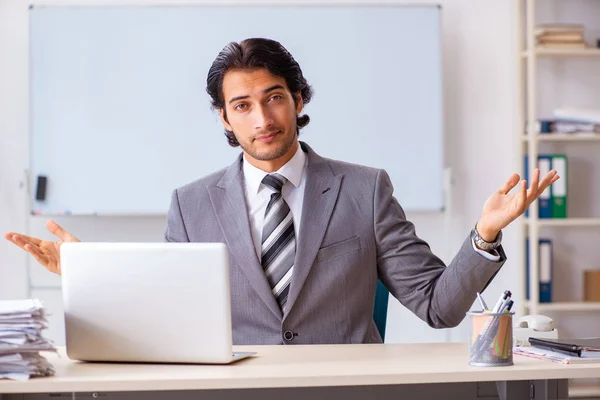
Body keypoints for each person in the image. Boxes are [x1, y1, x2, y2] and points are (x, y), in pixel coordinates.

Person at [5, 38, 558, 345]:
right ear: (224, 118)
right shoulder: (191, 205)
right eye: (242, 105)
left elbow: (439, 309)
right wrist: (87, 271)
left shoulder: (363, 189)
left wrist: (485, 233)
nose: (262, 117)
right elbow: (164, 318)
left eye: (274, 97)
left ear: (297, 99)